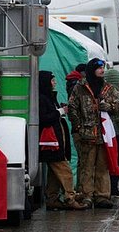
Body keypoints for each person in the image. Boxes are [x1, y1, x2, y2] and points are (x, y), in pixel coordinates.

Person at [69, 58, 119, 208]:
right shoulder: (80, 87)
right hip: (87, 134)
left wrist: (108, 106)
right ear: (92, 69)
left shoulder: (108, 88)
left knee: (102, 167)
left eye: (103, 68)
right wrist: (79, 127)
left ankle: (102, 196)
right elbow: (72, 107)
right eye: (99, 68)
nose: (102, 70)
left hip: (104, 135)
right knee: (87, 167)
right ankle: (86, 196)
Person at [38, 71, 87, 210]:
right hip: (51, 144)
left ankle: (52, 198)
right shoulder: (42, 99)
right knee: (65, 171)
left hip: (54, 143)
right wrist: (60, 111)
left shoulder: (48, 98)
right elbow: (44, 119)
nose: (54, 83)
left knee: (54, 174)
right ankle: (70, 198)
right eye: (52, 80)